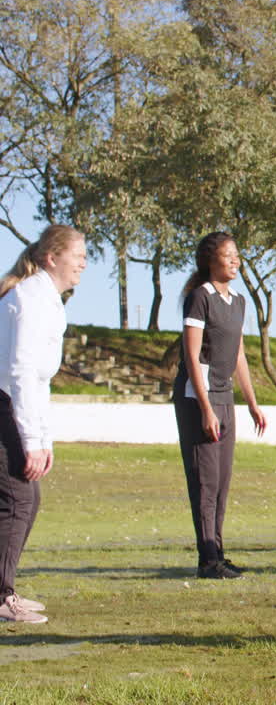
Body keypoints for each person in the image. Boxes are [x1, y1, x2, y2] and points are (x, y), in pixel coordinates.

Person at [0, 225, 87, 623]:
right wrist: (31, 439)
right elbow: (19, 372)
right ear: (52, 258)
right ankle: (3, 597)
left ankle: (5, 589)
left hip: (15, 406)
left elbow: (40, 379)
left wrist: (44, 439)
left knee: (24, 501)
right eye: (78, 255)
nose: (83, 263)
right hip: (4, 404)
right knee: (18, 501)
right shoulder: (29, 297)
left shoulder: (48, 300)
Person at [174, 232, 267, 579]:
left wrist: (253, 403)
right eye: (227, 256)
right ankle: (206, 560)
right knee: (205, 482)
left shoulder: (239, 302)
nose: (235, 261)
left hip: (225, 397)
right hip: (198, 398)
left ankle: (218, 554)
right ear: (210, 260)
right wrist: (205, 407)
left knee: (222, 482)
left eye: (237, 255)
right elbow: (192, 356)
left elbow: (239, 354)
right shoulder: (199, 298)